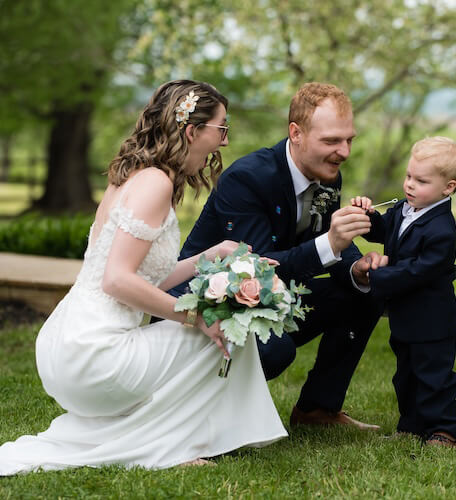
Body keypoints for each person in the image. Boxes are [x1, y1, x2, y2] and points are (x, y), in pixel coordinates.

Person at [0, 80, 287, 476]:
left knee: (217, 326)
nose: (224, 142)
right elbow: (117, 282)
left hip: (63, 345)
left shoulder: (134, 175)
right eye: (221, 129)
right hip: (94, 356)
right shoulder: (156, 183)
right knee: (226, 331)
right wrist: (195, 317)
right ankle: (169, 443)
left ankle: (164, 434)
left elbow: (143, 276)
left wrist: (212, 255)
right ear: (191, 131)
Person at [172, 82, 387, 430]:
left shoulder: (328, 175)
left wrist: (357, 268)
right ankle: (208, 411)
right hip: (212, 303)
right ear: (296, 133)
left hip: (274, 296)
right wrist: (331, 243)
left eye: (349, 139)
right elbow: (256, 269)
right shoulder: (248, 178)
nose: (344, 151)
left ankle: (318, 410)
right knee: (275, 351)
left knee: (366, 294)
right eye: (332, 141)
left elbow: (324, 241)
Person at [351, 136, 456, 447]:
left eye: (421, 180)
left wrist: (378, 275)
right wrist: (367, 215)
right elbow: (383, 231)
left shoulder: (442, 229)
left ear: (449, 187)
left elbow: (418, 270)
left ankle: (445, 429)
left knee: (434, 378)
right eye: (408, 176)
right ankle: (412, 423)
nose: (410, 185)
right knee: (405, 375)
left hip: (432, 320)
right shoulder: (406, 209)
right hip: (406, 316)